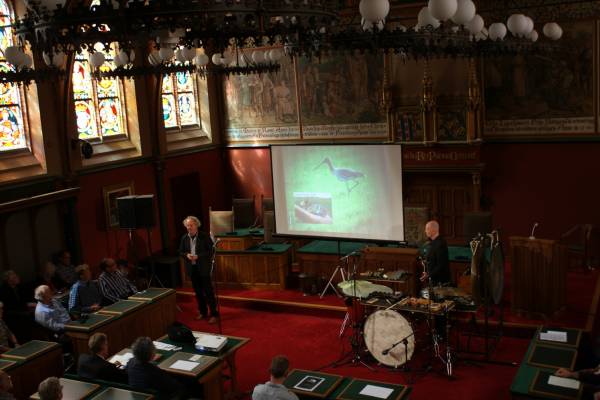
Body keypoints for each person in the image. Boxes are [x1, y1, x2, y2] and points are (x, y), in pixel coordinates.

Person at [179, 216, 219, 324]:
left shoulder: (204, 236)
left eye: (191, 225)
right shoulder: (184, 238)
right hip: (192, 269)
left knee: (208, 292)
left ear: (196, 225)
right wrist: (186, 255)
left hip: (203, 268)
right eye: (187, 225)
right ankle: (203, 312)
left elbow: (210, 251)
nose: (189, 227)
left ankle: (214, 314)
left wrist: (198, 256)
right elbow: (181, 252)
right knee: (198, 292)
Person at [420, 220, 450, 286]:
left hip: (440, 282)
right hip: (434, 279)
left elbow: (441, 265)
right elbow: (433, 260)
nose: (425, 231)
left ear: (434, 230)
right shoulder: (432, 242)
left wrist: (428, 275)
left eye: (427, 229)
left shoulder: (440, 243)